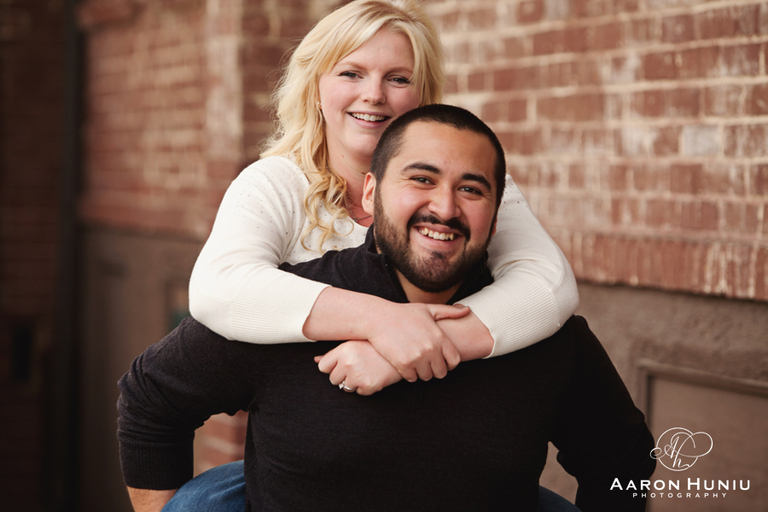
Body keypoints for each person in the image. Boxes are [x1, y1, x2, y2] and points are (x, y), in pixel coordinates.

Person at [118, 105, 655, 512]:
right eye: (421, 179)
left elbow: (623, 455)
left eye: (471, 189)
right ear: (370, 195)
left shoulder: (545, 336)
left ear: (497, 214)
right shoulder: (287, 309)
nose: (444, 208)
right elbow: (150, 399)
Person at [188, 0, 580, 393]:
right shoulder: (273, 185)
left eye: (398, 79)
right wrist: (381, 320)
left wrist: (419, 344)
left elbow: (549, 285)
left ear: (424, 96)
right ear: (316, 88)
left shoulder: (469, 187)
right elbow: (218, 289)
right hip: (306, 442)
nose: (374, 94)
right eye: (351, 73)